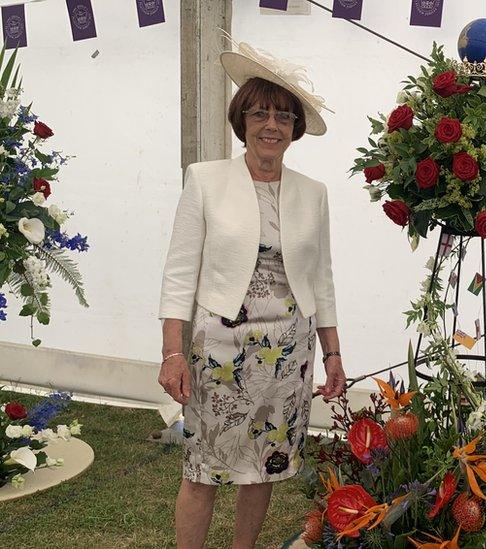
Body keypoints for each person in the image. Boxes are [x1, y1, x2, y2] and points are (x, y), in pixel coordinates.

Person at [157, 41, 346, 549]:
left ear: (295, 130)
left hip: (289, 353)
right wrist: (172, 353)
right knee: (203, 467)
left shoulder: (314, 193)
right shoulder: (205, 180)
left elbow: (322, 279)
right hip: (218, 351)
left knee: (262, 465)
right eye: (260, 113)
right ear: (242, 121)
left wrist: (333, 355)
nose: (271, 125)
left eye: (283, 117)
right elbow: (178, 275)